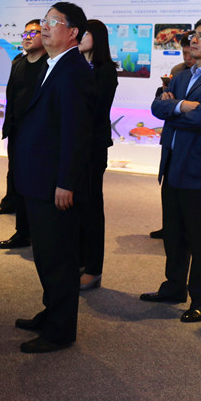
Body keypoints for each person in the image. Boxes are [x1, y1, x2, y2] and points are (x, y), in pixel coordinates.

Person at [140, 16, 201, 323]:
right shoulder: (181, 74)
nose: (193, 40)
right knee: (173, 235)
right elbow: (156, 107)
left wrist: (172, 108)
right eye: (194, 34)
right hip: (173, 165)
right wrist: (182, 106)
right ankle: (173, 287)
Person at [12, 2, 96, 353]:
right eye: (44, 21)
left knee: (59, 257)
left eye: (53, 22)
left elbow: (76, 134)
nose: (44, 27)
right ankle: (52, 312)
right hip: (38, 178)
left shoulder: (75, 70)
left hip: (55, 183)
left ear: (73, 32)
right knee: (46, 253)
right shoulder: (53, 65)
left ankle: (60, 330)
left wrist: (66, 182)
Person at [0, 19, 48, 250]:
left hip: (40, 135)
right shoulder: (18, 63)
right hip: (18, 132)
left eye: (34, 32)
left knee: (38, 185)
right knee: (19, 181)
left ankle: (41, 234)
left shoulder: (50, 65)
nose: (27, 36)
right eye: (25, 33)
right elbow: (12, 97)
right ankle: (22, 232)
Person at [77, 19, 118, 290]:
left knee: (92, 206)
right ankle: (79, 261)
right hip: (74, 146)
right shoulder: (76, 66)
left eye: (86, 33)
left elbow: (95, 109)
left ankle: (93, 269)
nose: (80, 37)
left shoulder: (105, 71)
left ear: (98, 37)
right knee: (76, 207)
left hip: (92, 145)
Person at [150, 32, 194, 239]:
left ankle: (184, 230)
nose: (188, 57)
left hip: (191, 141)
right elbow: (160, 104)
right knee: (168, 186)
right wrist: (168, 99)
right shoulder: (178, 71)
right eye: (184, 53)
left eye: (190, 52)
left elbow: (199, 113)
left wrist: (174, 105)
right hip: (171, 137)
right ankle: (168, 227)